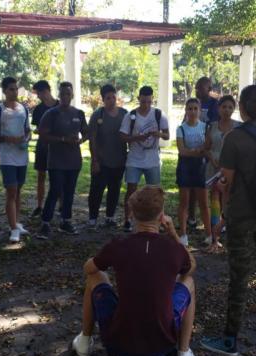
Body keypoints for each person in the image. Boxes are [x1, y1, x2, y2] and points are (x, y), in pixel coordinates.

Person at [71, 186, 198, 356]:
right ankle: (183, 355)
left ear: (131, 214)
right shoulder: (173, 249)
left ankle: (84, 342)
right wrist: (173, 233)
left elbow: (88, 269)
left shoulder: (118, 244)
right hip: (162, 344)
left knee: (96, 276)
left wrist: (102, 258)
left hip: (119, 344)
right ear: (162, 215)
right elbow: (191, 267)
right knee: (188, 281)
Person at [200, 85, 256, 355]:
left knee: (240, 275)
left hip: (243, 214)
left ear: (240, 106)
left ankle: (230, 339)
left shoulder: (235, 138)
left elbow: (227, 181)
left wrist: (223, 216)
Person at [36, 82, 87, 239]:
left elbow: (87, 133)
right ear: (59, 95)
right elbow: (43, 134)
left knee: (69, 192)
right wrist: (63, 139)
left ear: (72, 95)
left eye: (68, 94)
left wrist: (80, 141)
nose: (65, 97)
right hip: (56, 160)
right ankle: (45, 223)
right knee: (55, 190)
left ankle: (66, 221)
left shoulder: (78, 113)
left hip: (74, 161)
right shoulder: (51, 113)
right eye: (63, 94)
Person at [119, 86, 170, 232]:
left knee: (155, 192)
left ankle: (159, 219)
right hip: (134, 158)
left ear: (152, 99)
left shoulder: (159, 114)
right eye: (143, 102)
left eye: (149, 101)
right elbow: (122, 136)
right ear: (138, 99)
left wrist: (158, 134)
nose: (146, 105)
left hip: (152, 159)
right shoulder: (131, 116)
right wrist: (137, 137)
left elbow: (167, 135)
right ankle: (127, 220)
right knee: (131, 189)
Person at [0, 76, 32, 243]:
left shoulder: (24, 109)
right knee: (11, 191)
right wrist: (8, 139)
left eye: (16, 89)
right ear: (5, 91)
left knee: (18, 190)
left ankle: (16, 222)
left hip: (22, 156)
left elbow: (27, 129)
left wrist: (26, 139)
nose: (14, 92)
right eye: (11, 89)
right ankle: (13, 228)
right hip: (6, 156)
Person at [87, 84, 128, 230]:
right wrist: (95, 160)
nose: (111, 100)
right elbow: (92, 138)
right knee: (96, 190)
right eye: (108, 98)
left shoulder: (124, 114)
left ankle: (110, 217)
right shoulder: (98, 115)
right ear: (103, 99)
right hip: (102, 161)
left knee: (114, 189)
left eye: (113, 97)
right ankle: (92, 219)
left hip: (119, 160)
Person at [176, 98, 213, 249]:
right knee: (184, 202)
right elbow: (181, 151)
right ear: (186, 110)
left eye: (195, 109)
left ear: (199, 111)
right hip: (185, 167)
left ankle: (209, 234)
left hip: (201, 168)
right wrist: (198, 152)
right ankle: (183, 234)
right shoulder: (181, 129)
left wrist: (199, 152)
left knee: (204, 203)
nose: (192, 112)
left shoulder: (206, 128)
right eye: (189, 109)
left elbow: (208, 147)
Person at [205, 95, 240, 250]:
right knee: (214, 202)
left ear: (234, 109)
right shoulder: (211, 126)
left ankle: (231, 237)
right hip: (213, 169)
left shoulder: (239, 127)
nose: (226, 110)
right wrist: (212, 160)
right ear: (218, 108)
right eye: (224, 106)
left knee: (229, 202)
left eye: (230, 107)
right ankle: (214, 238)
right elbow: (206, 148)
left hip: (231, 171)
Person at [188, 77, 220, 229]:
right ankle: (192, 217)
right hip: (194, 149)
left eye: (200, 87)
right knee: (193, 185)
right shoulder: (194, 103)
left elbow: (214, 125)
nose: (197, 90)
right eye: (196, 87)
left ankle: (215, 220)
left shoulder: (215, 105)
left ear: (209, 88)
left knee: (213, 187)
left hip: (209, 149)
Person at [30, 80, 59, 218]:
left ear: (45, 91)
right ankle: (40, 206)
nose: (38, 97)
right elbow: (36, 127)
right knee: (41, 176)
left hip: (58, 147)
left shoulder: (60, 106)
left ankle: (60, 205)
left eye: (39, 93)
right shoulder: (38, 109)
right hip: (42, 146)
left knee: (58, 177)